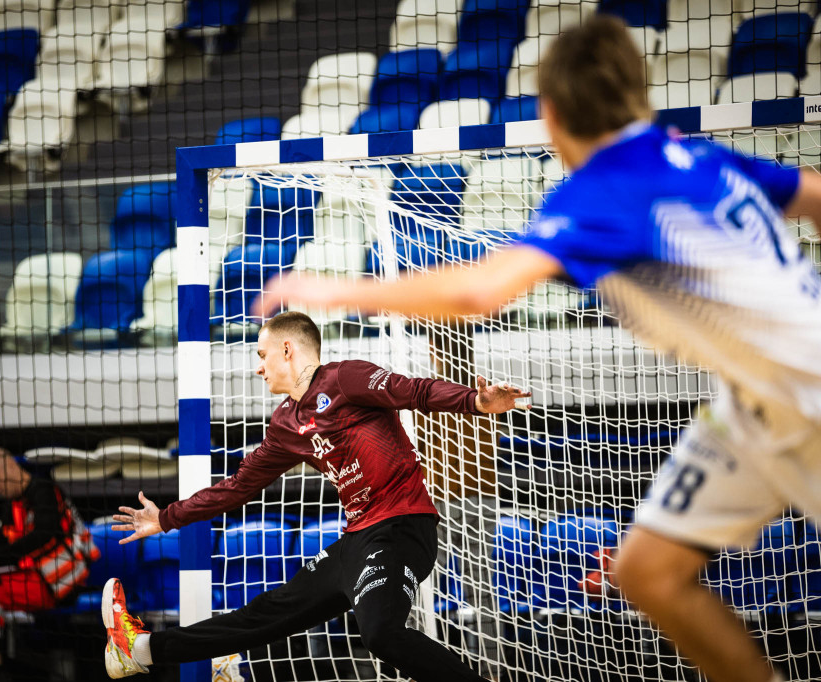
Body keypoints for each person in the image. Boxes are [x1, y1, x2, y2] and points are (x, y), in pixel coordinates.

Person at [259, 15, 821, 682]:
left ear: (550, 116)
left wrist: (337, 290)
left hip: (806, 390)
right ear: (638, 92)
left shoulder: (603, 189)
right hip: (756, 401)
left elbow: (480, 292)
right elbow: (813, 193)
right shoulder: (694, 156)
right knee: (649, 572)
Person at [103, 311, 531, 681]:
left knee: (380, 632)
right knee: (266, 614)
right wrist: (166, 518)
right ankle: (138, 652)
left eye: (262, 355)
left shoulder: (346, 378)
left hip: (401, 527)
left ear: (287, 349)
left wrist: (474, 401)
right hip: (356, 541)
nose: (259, 368)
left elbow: (414, 391)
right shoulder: (286, 423)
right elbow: (238, 486)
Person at [0, 447, 100, 682]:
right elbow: (2, 546)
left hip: (63, 582)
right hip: (32, 578)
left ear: (10, 467)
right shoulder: (11, 505)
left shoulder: (44, 491)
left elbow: (43, 534)